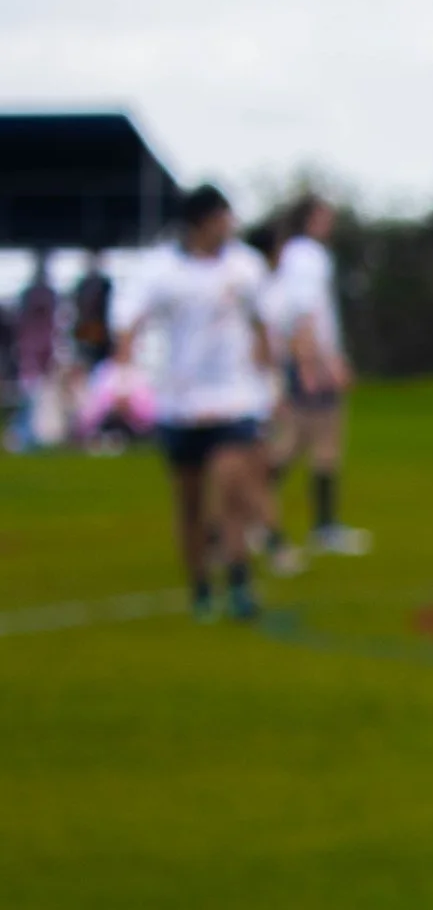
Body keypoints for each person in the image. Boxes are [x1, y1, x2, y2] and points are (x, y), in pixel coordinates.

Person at [113, 185, 275, 617]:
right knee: (189, 503)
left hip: (233, 400)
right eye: (224, 217)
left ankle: (240, 583)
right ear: (203, 221)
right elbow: (129, 323)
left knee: (230, 487)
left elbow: (263, 324)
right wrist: (125, 378)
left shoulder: (245, 267)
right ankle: (201, 586)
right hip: (180, 404)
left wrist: (268, 379)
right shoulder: (160, 270)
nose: (231, 226)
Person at [260, 192, 366, 553]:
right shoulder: (308, 256)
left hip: (307, 357)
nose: (330, 222)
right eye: (324, 216)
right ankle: (314, 525)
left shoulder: (294, 255)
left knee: (302, 442)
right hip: (311, 360)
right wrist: (318, 363)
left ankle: (257, 513)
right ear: (310, 219)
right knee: (311, 443)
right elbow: (304, 314)